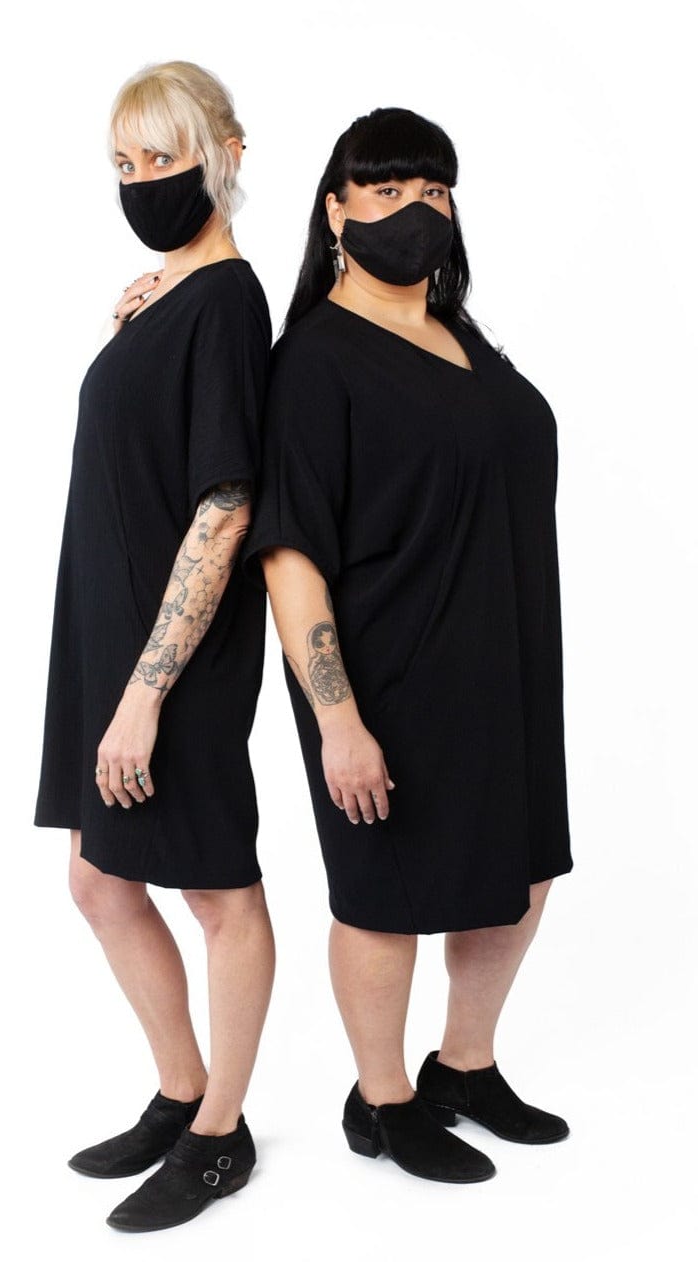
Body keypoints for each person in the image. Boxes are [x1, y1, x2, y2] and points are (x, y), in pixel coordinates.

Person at [243, 107, 573, 1185]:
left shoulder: (460, 331)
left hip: (508, 662)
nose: (414, 210)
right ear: (336, 212)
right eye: (386, 190)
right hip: (389, 675)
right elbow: (290, 555)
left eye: (432, 191)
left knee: (522, 873)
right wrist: (338, 720)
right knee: (385, 893)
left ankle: (464, 1065)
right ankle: (381, 1099)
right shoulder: (314, 362)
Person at [34, 60, 274, 1231]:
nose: (141, 182)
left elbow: (224, 505)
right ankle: (181, 1090)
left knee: (216, 888)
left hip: (169, 658)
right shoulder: (173, 295)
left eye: (163, 158)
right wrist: (132, 325)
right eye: (123, 165)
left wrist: (145, 692)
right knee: (100, 877)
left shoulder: (227, 302)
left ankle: (221, 1131)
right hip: (105, 633)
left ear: (225, 154)